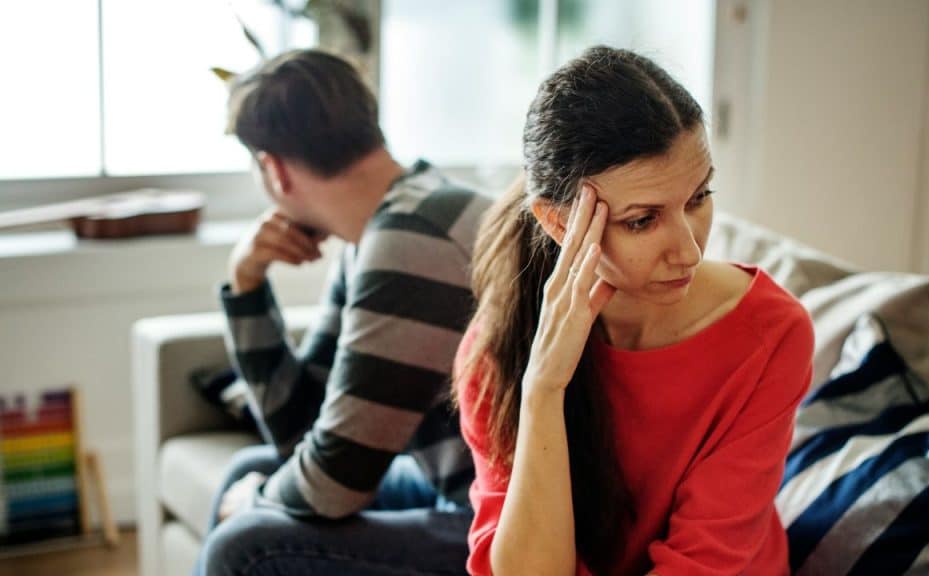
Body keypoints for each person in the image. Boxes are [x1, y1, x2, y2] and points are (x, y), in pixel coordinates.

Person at [454, 46, 814, 576]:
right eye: (643, 220)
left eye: (698, 198)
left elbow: (702, 566)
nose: (690, 251)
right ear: (558, 223)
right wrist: (544, 389)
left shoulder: (769, 334)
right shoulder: (498, 348)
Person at [196, 49, 491, 575]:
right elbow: (301, 430)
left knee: (244, 548)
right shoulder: (397, 216)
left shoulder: (409, 241)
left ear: (275, 169)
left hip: (511, 522)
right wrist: (245, 286)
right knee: (252, 467)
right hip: (470, 492)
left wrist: (258, 500)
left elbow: (336, 484)